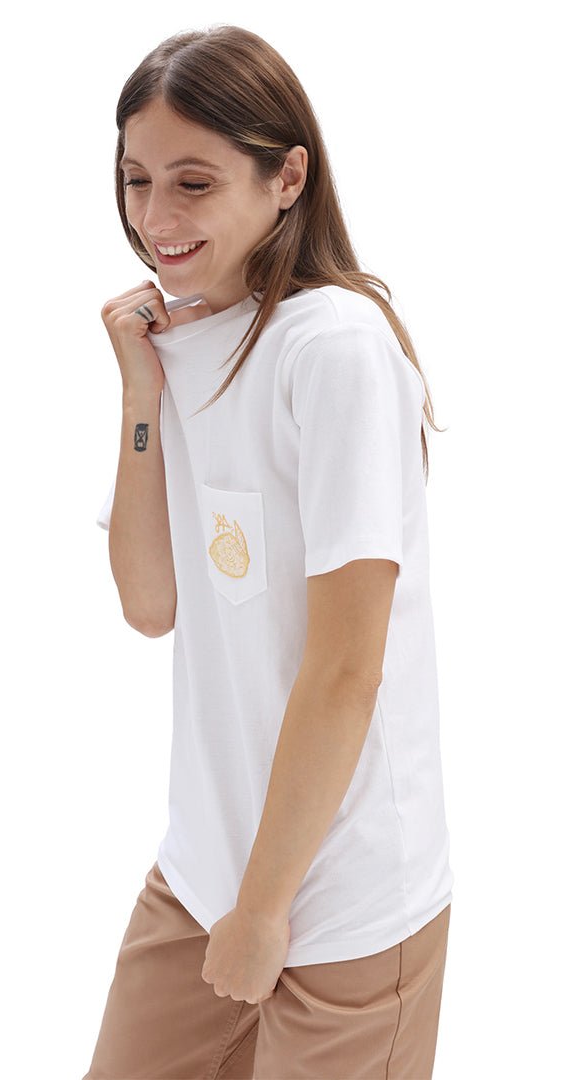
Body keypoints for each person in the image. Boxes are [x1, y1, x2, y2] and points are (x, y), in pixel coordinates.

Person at [84, 23, 454, 1080]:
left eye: (193, 183)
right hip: (204, 874)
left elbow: (345, 670)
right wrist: (140, 395)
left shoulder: (334, 349)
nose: (155, 218)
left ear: (287, 177)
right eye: (137, 180)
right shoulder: (178, 341)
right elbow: (149, 604)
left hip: (341, 905)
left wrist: (262, 911)